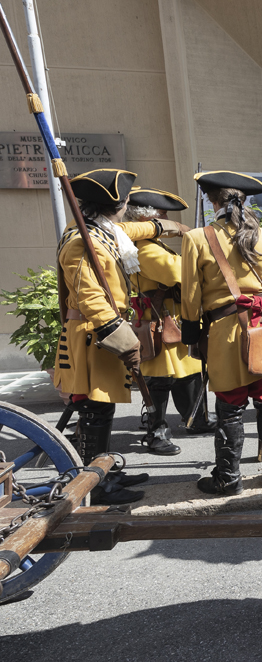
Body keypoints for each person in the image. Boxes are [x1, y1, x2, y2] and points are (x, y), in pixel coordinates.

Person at [55, 169, 185, 504]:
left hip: (103, 334)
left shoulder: (102, 229)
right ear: (119, 203)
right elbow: (90, 297)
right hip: (93, 335)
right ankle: (94, 486)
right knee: (94, 411)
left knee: (105, 408)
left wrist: (167, 226)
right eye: (126, 201)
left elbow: (132, 228)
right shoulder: (81, 242)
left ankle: (106, 471)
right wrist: (120, 335)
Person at [180, 171, 262, 495]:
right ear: (244, 200)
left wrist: (192, 338)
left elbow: (190, 299)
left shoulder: (196, 238)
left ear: (212, 200)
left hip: (226, 332)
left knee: (231, 403)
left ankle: (229, 478)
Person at [125, 187, 216, 457]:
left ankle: (195, 419)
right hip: (158, 320)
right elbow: (178, 271)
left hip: (172, 317)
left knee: (189, 372)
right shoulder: (144, 248)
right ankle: (157, 431)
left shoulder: (153, 245)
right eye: (161, 215)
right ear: (146, 219)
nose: (165, 220)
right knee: (159, 380)